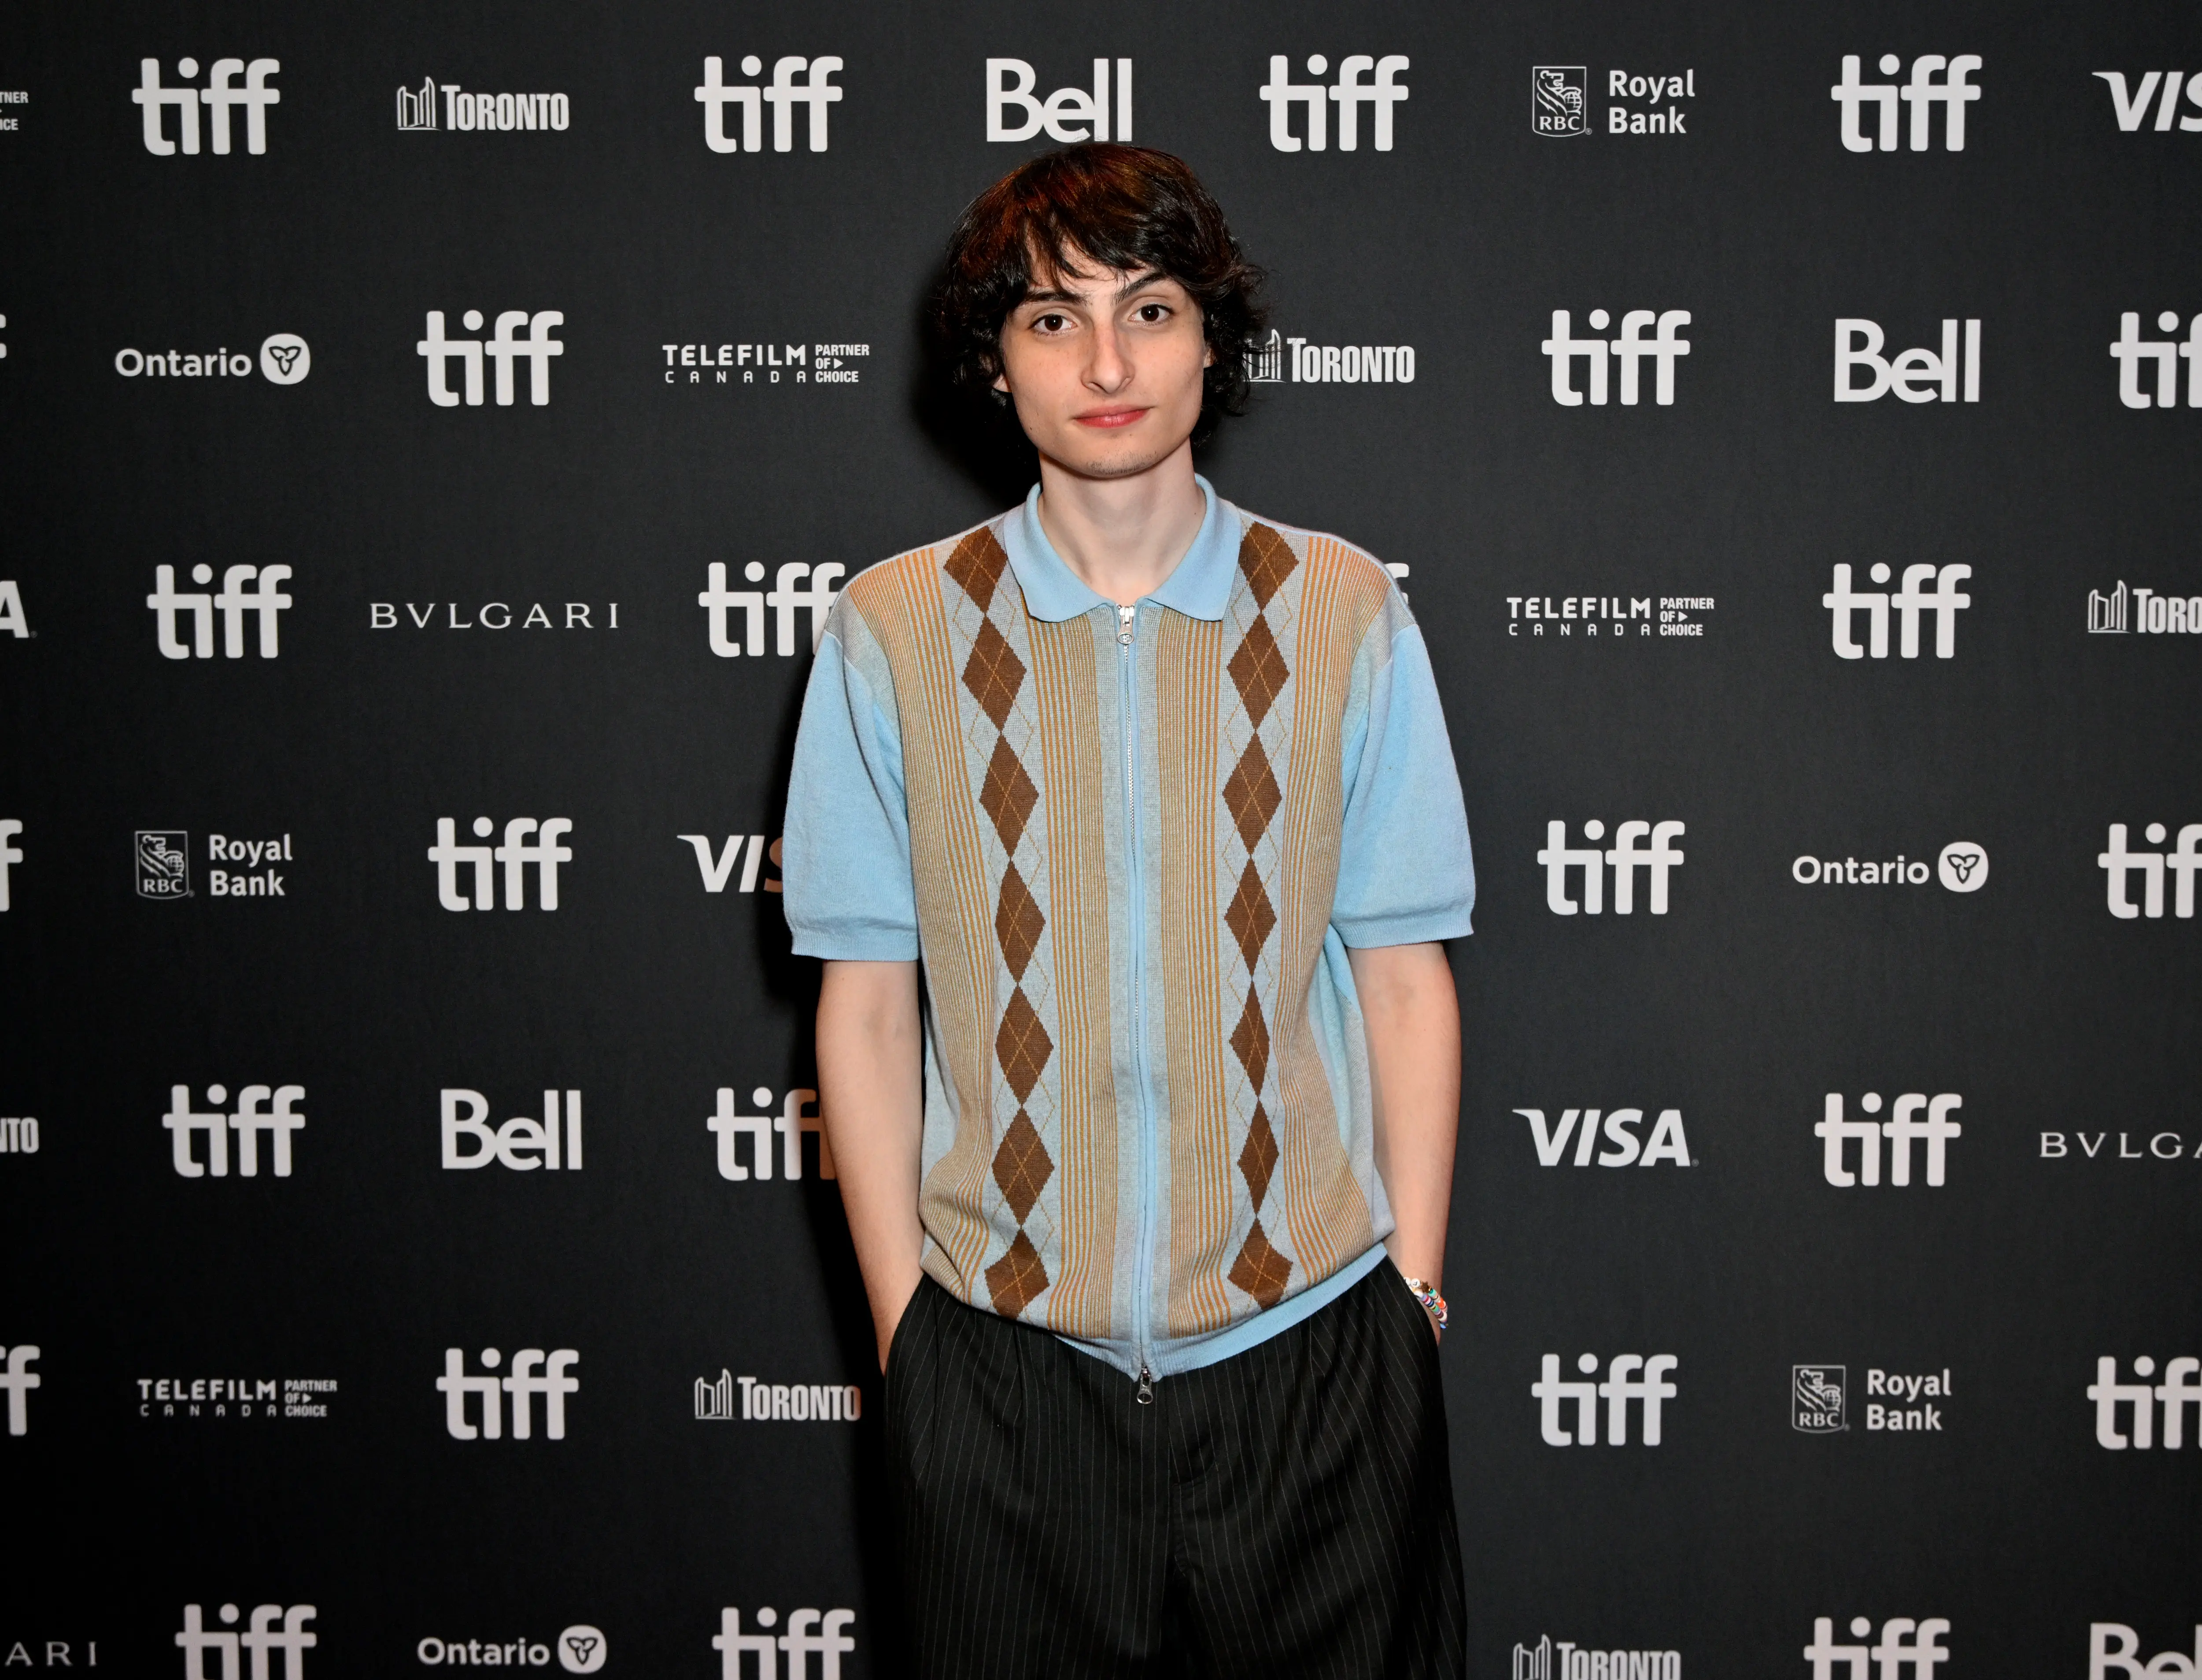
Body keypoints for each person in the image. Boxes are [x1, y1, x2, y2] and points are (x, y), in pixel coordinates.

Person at [783, 142, 1473, 1678]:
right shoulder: (889, 628)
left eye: (1149, 309)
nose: (1107, 360)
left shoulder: (1345, 605)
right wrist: (911, 1338)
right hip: (1004, 1379)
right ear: (994, 362)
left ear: (1209, 339)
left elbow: (1406, 974)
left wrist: (1412, 1300)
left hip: (1314, 1359)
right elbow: (866, 1002)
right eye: (1051, 319)